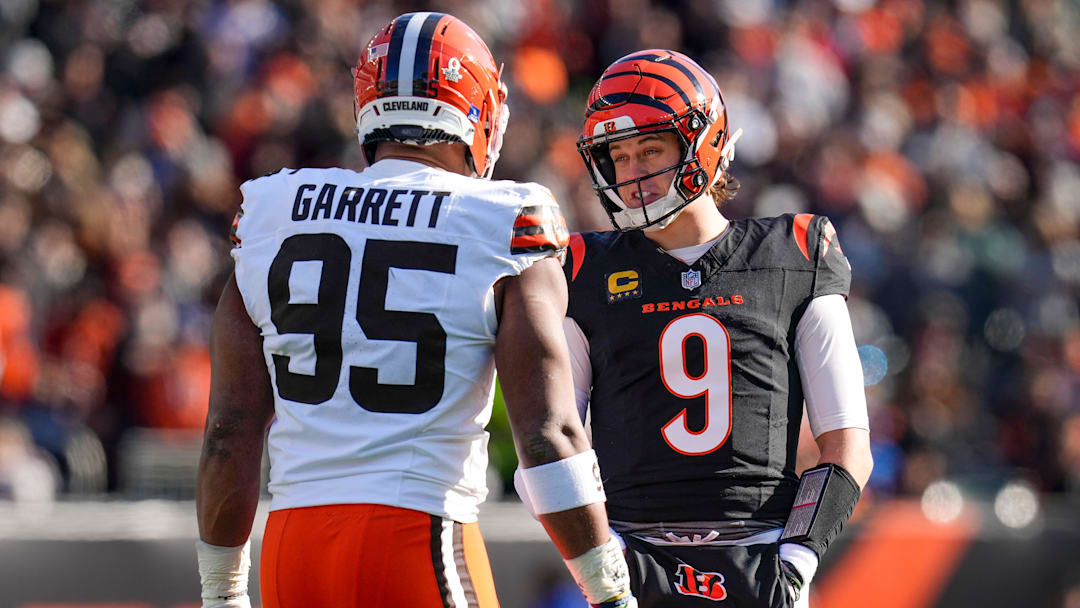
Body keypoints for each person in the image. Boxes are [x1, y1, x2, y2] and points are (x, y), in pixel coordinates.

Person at [195, 13, 635, 608]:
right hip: (417, 534)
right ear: (479, 111)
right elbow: (547, 434)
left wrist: (221, 592)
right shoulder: (504, 219)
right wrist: (609, 590)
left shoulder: (274, 210)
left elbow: (230, 430)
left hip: (292, 551)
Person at [519, 50, 874, 607]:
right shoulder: (582, 269)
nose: (631, 175)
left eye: (650, 150)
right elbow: (551, 435)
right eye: (619, 155)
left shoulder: (794, 253)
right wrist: (600, 559)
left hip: (761, 549)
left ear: (702, 144)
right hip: (631, 554)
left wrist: (797, 559)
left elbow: (847, 440)